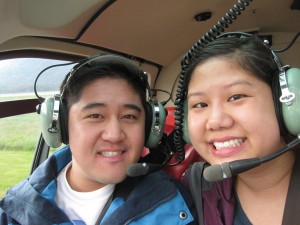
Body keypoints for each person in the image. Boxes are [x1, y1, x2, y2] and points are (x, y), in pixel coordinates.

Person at [0, 54, 197, 225]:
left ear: (149, 128)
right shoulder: (14, 213)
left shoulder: (176, 205)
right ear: (61, 124)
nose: (114, 135)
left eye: (129, 117)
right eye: (95, 116)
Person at [174, 32, 300, 225]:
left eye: (236, 97)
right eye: (200, 105)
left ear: (284, 100)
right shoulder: (195, 189)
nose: (215, 122)